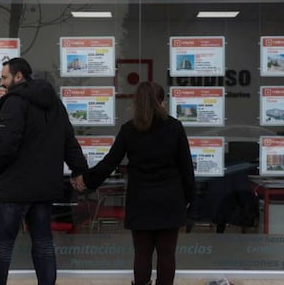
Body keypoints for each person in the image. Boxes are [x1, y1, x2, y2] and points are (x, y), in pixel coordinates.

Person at [72, 81, 195, 285]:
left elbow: (109, 162)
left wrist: (86, 181)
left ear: (137, 103)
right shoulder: (175, 127)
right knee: (166, 253)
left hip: (141, 200)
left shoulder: (129, 130)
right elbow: (186, 167)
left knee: (142, 253)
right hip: (170, 199)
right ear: (162, 102)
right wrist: (190, 197)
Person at [0, 57, 88, 285]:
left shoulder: (14, 102)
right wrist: (79, 170)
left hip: (14, 189)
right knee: (43, 243)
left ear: (18, 76)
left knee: (2, 245)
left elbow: (6, 144)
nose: (1, 83)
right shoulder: (55, 104)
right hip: (43, 188)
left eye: (4, 77)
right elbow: (69, 140)